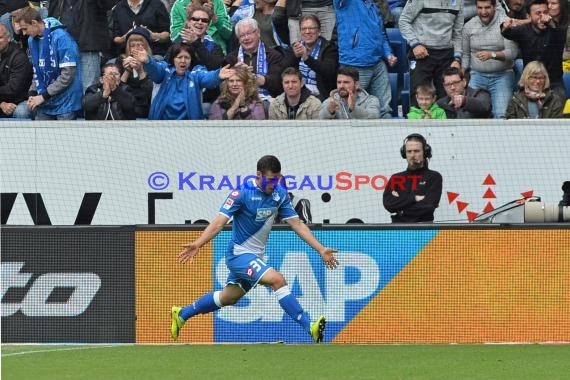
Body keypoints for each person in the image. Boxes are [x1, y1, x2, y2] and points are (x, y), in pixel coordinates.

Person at [170, 155, 339, 343]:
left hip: (255, 257)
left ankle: (182, 314)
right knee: (277, 280)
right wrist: (198, 243)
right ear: (258, 175)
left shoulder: (279, 194)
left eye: (277, 179)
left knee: (228, 297)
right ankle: (309, 326)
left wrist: (321, 249)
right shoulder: (242, 193)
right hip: (238, 255)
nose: (273, 184)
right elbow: (219, 222)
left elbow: (297, 224)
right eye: (270, 180)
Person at [133, 42, 234, 120]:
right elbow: (155, 71)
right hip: (162, 125)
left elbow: (207, 78)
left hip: (189, 128)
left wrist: (218, 75)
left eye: (187, 57)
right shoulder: (165, 70)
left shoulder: (196, 73)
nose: (183, 61)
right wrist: (147, 61)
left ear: (191, 60)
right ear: (173, 59)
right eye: (179, 57)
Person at [15, 7, 83, 120]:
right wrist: (32, 94)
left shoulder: (62, 37)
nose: (24, 33)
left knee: (65, 137)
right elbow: (37, 70)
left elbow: (67, 75)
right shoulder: (31, 40)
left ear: (34, 23)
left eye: (25, 29)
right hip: (45, 102)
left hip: (66, 102)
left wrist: (43, 96)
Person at [334, 0, 397, 119]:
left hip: (377, 64)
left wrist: (388, 54)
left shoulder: (372, 5)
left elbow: (381, 34)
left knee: (385, 109)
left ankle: (386, 134)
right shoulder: (346, 3)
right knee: (351, 107)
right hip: (354, 65)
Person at [399, 0, 463, 105]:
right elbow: (403, 21)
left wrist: (457, 58)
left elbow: (458, 32)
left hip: (447, 54)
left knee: (447, 98)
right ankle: (418, 121)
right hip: (422, 52)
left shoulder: (459, 2)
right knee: (419, 96)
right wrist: (415, 44)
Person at [501, 0, 567, 101]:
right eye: (538, 13)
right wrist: (504, 26)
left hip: (554, 83)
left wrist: (550, 22)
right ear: (529, 16)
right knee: (518, 106)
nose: (542, 17)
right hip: (530, 82)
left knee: (556, 112)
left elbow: (557, 32)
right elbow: (506, 33)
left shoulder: (558, 29)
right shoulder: (524, 30)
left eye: (545, 12)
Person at [462, 0, 518, 118]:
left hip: (502, 75)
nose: (483, 12)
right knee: (469, 113)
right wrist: (461, 72)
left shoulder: (505, 23)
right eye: (480, 8)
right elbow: (466, 55)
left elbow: (512, 53)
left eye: (487, 7)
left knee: (501, 114)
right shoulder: (469, 26)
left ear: (495, 7)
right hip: (477, 75)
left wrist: (492, 55)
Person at [48, 0, 117, 93]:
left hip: (88, 47)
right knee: (65, 89)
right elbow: (51, 18)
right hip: (64, 47)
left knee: (89, 89)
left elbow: (108, 4)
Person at [383, 133, 442, 223]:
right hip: (398, 230)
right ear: (404, 153)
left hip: (424, 231)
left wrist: (401, 209)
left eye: (416, 151)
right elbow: (388, 204)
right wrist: (414, 198)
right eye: (409, 151)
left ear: (425, 152)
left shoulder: (434, 177)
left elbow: (429, 206)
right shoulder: (396, 178)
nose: (412, 155)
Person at [227, 18, 285, 98]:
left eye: (249, 33)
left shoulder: (273, 55)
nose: (246, 38)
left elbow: (277, 83)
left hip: (267, 99)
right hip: (237, 99)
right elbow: (224, 85)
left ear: (258, 33)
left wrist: (252, 77)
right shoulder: (232, 57)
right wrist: (235, 72)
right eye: (242, 35)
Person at [118, 27, 155, 119]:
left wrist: (140, 71)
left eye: (139, 45)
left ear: (146, 46)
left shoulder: (154, 62)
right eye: (132, 45)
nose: (136, 49)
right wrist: (127, 71)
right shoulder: (120, 60)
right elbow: (117, 90)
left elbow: (151, 91)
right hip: (126, 102)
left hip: (146, 102)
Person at [0, 23, 33, 118]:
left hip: (21, 100)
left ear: (9, 38)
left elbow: (13, 89)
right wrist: (1, 104)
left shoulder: (19, 57)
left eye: (0, 37)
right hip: (3, 100)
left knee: (21, 112)